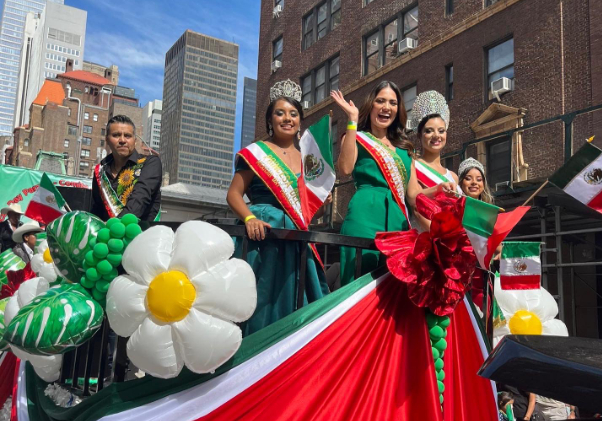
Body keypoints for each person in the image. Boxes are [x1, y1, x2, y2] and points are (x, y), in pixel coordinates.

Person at [227, 79, 330, 336]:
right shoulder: (256, 152)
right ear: (270, 119)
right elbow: (234, 194)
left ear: (300, 121)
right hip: (263, 236)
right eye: (280, 113)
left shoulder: (308, 158)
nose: (287, 118)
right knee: (260, 304)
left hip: (294, 237)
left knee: (296, 303)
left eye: (293, 114)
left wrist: (321, 202)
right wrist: (249, 218)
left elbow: (304, 209)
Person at [331, 81, 454, 286]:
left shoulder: (405, 149)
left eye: (393, 103)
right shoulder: (357, 137)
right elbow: (345, 169)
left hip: (398, 222)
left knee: (395, 291)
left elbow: (413, 195)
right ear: (371, 105)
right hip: (364, 216)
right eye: (380, 101)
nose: (386, 107)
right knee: (358, 287)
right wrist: (352, 120)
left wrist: (440, 189)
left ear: (398, 110)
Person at [91, 115, 162, 222]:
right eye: (116, 135)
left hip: (141, 235)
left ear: (135, 140)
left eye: (127, 136)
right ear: (107, 139)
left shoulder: (150, 163)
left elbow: (139, 200)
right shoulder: (100, 171)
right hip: (108, 236)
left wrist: (113, 227)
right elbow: (97, 211)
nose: (122, 140)